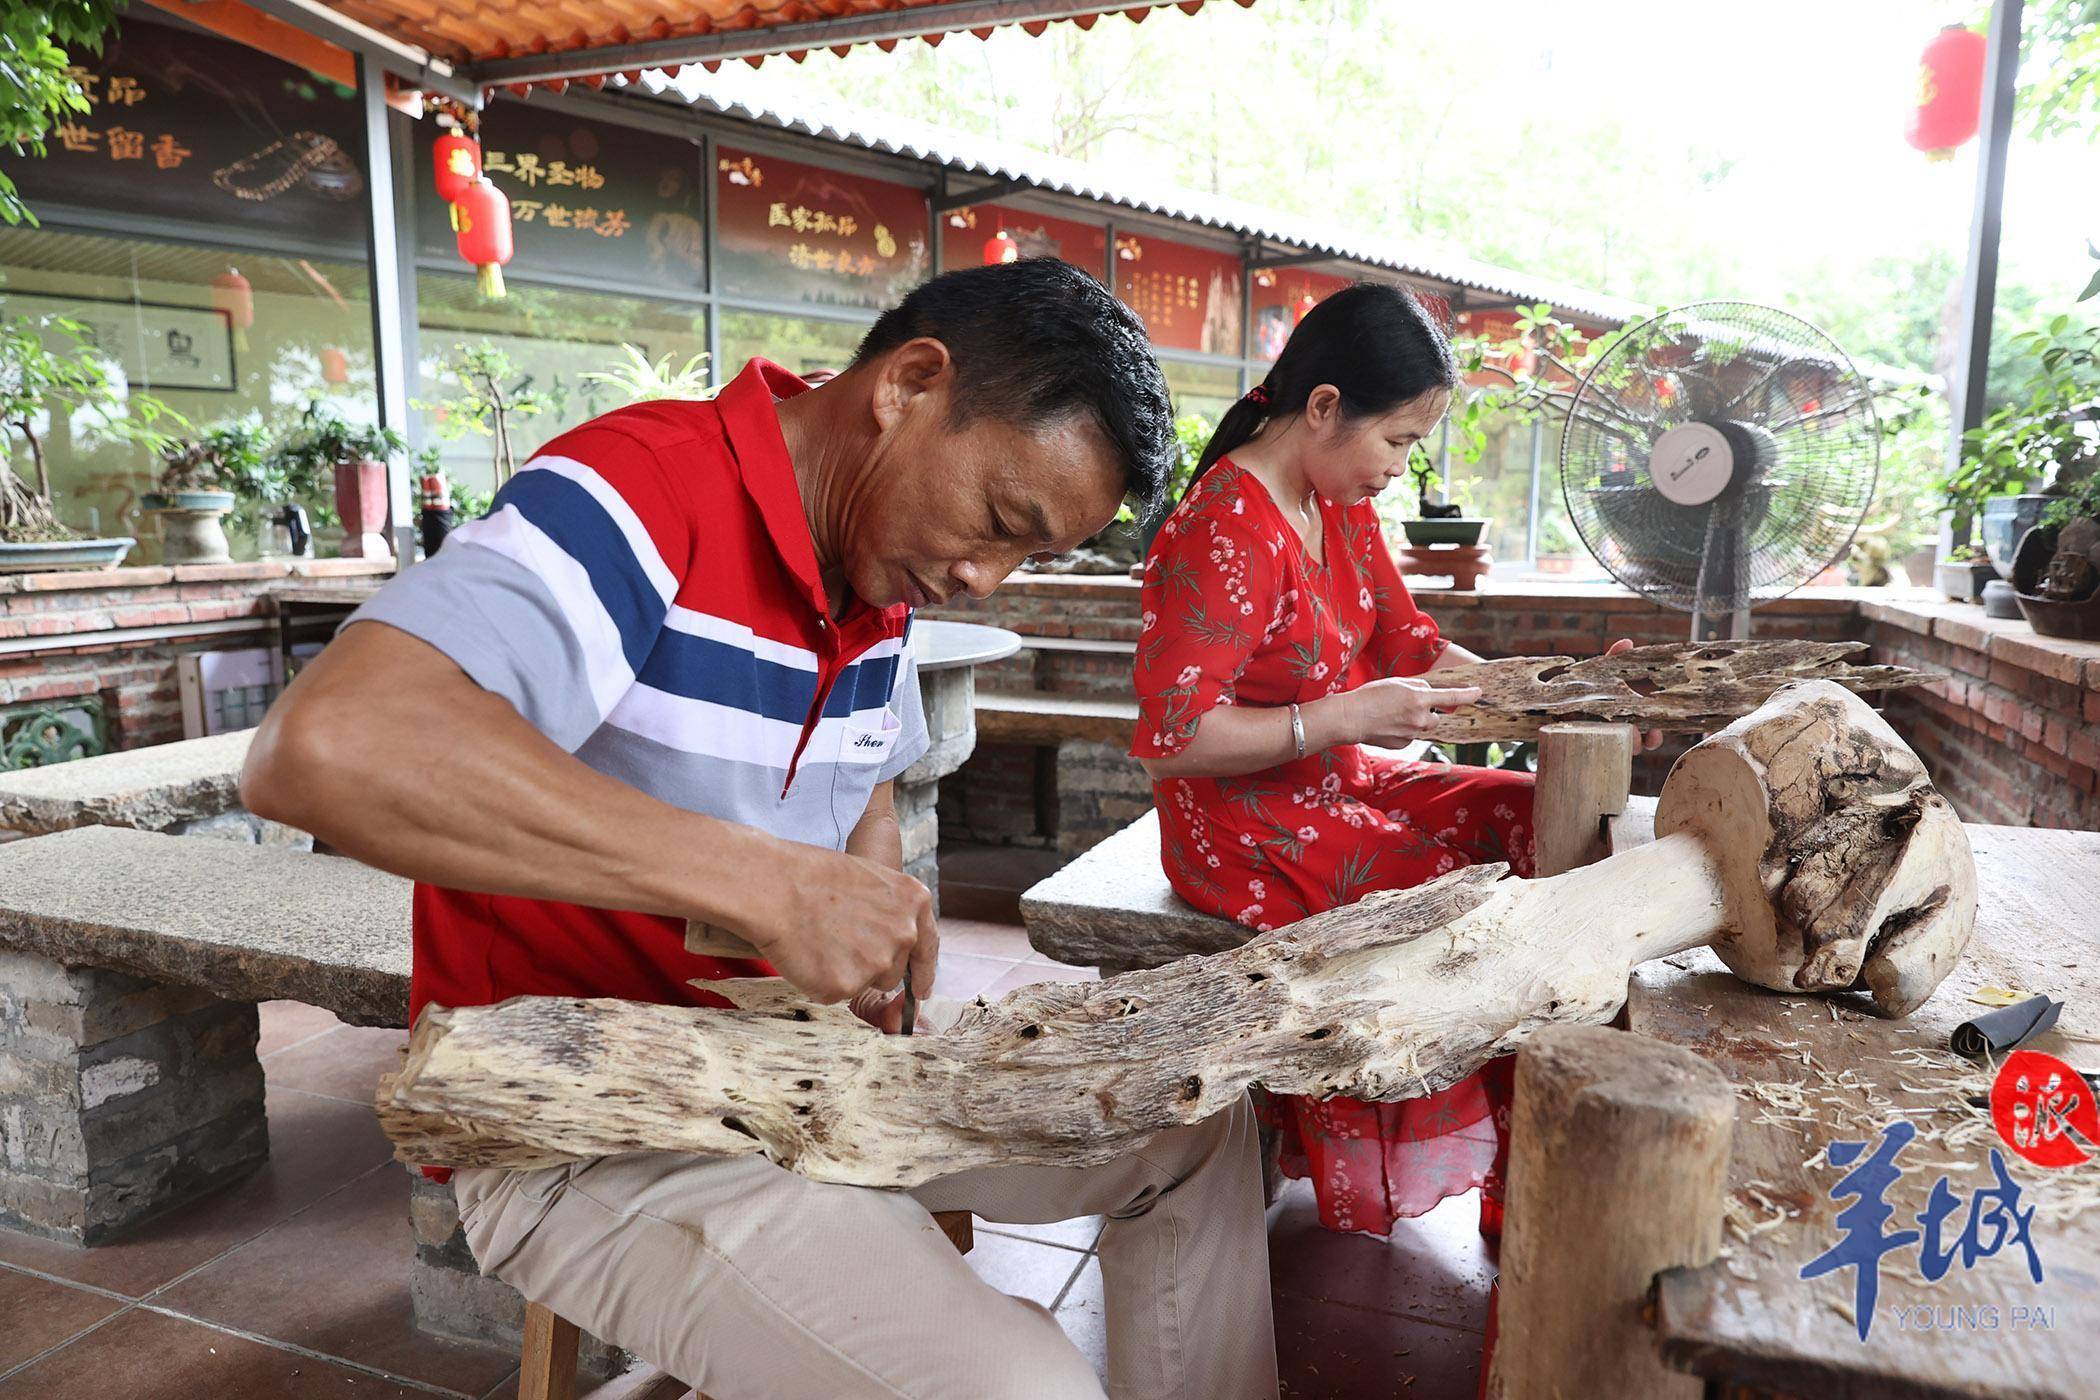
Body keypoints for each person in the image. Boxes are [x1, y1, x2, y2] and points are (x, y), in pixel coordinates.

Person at [243, 259, 1278, 1400]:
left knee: (1194, 1119)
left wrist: (871, 910)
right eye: (1001, 521)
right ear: (910, 383)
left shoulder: (880, 575)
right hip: (592, 1115)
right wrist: (767, 885)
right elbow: (330, 746)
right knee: (1022, 1386)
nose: (986, 576)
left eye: (1032, 556)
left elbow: (871, 777)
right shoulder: (640, 492)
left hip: (808, 1068)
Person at [1131, 282, 1656, 1240]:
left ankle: (1540, 1157)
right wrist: (1341, 717)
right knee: (1461, 900)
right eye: (1399, 442)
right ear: (1324, 406)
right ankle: (1506, 1164)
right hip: (1239, 826)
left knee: (1525, 813)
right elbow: (1174, 745)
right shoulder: (1224, 526)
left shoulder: (1335, 502)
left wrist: (1566, 698)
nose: (1400, 469)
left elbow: (1411, 648)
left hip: (1334, 786)